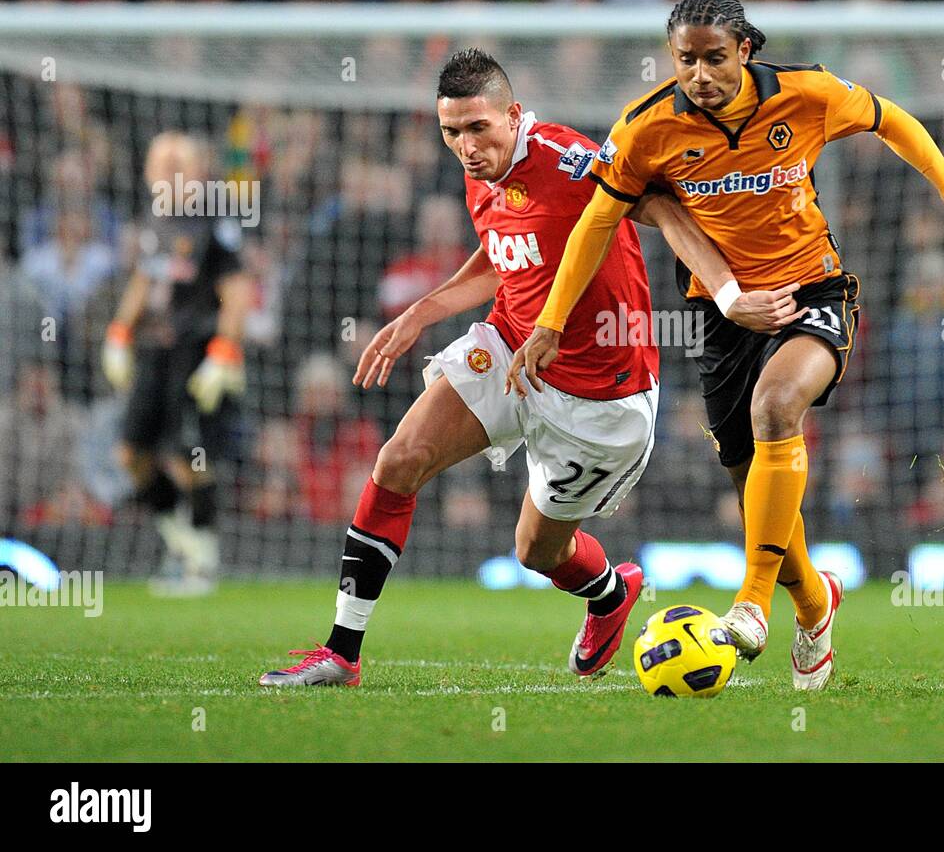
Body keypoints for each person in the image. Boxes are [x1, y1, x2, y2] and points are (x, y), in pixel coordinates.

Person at [509, 0, 944, 689]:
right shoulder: (646, 128)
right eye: (685, 60)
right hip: (725, 318)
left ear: (745, 49)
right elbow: (598, 221)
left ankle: (751, 605)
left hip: (814, 289)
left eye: (715, 57)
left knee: (778, 406)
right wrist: (549, 324)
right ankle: (815, 602)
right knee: (758, 494)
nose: (700, 74)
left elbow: (888, 116)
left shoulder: (803, 94)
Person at [260, 48, 795, 687]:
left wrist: (730, 296)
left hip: (602, 398)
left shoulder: (571, 162)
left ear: (513, 116)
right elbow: (502, 256)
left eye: (477, 128)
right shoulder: (478, 172)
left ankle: (609, 594)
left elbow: (666, 211)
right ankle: (341, 652)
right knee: (399, 461)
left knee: (537, 551)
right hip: (510, 347)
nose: (464, 145)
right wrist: (421, 313)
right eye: (450, 132)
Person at [103, 132, 252, 595]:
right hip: (155, 349)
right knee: (131, 452)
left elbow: (238, 290)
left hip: (196, 347)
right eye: (160, 163)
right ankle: (181, 545)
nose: (166, 171)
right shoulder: (156, 218)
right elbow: (145, 280)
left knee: (189, 455)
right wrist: (119, 332)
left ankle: (202, 560)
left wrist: (225, 350)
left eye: (176, 163)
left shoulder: (215, 218)